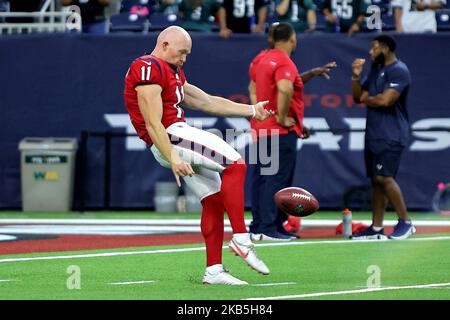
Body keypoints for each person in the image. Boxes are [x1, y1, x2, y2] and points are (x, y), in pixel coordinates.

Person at [123, 26, 274, 285]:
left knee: (213, 200)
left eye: (187, 54)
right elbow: (152, 122)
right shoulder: (147, 66)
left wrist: (251, 110)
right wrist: (172, 157)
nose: (184, 59)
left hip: (172, 138)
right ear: (165, 44)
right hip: (170, 136)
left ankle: (214, 270)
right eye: (181, 52)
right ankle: (241, 237)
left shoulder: (171, 70)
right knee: (235, 163)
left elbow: (206, 101)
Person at [248, 22, 336, 241]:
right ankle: (271, 228)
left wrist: (260, 112)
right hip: (279, 131)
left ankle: (259, 226)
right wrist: (282, 117)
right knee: (277, 180)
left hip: (261, 129)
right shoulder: (284, 60)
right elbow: (285, 88)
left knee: (261, 177)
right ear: (292, 39)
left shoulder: (261, 58)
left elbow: (254, 87)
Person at [351, 34, 415, 240]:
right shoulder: (377, 69)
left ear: (386, 48)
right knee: (376, 181)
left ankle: (406, 222)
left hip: (391, 133)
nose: (371, 52)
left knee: (384, 177)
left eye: (374, 47)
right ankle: (376, 228)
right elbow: (356, 97)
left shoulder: (399, 70)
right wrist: (355, 76)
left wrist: (367, 98)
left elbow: (386, 101)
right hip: (374, 133)